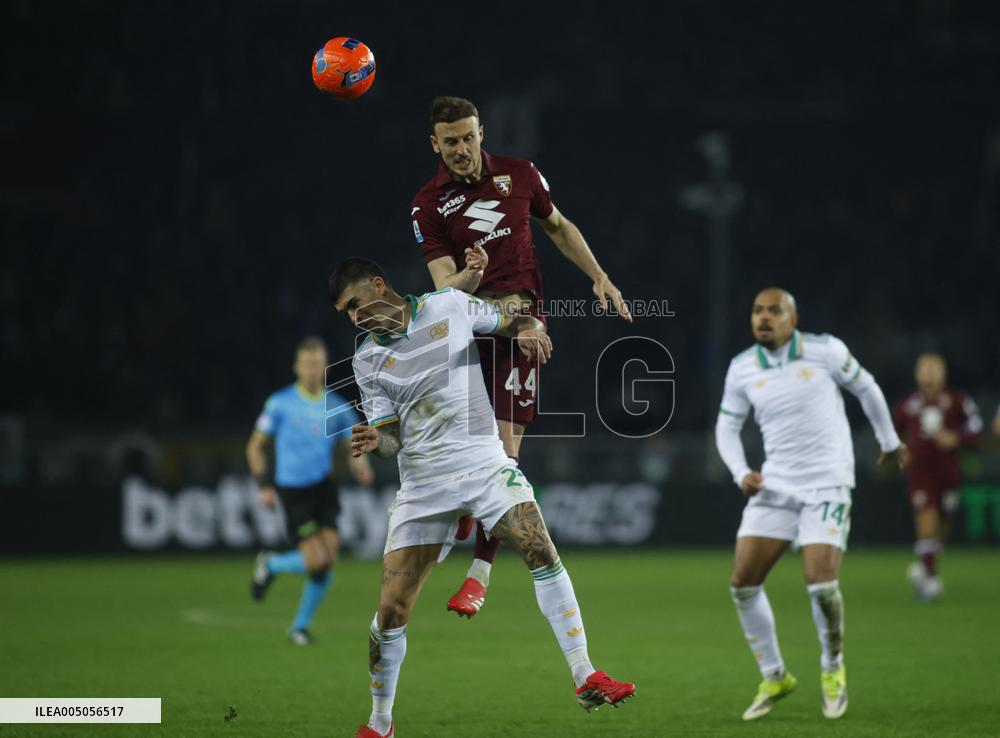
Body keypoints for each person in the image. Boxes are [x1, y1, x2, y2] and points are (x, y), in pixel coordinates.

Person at [328, 257, 635, 738]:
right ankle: (380, 723)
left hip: (482, 463)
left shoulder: (447, 306)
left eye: (354, 305)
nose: (353, 318)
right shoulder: (366, 359)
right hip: (423, 486)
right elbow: (391, 438)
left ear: (378, 286)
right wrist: (376, 442)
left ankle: (584, 673)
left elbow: (508, 321)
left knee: (539, 546)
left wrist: (529, 327)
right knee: (391, 611)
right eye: (345, 313)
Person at [409, 95, 633, 617]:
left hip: (524, 324)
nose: (462, 150)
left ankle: (478, 575)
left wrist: (598, 276)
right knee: (468, 451)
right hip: (466, 333)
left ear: (482, 132)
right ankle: (466, 511)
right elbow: (446, 290)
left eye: (468, 137)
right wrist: (471, 272)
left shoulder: (520, 174)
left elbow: (558, 227)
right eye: (451, 142)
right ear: (434, 145)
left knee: (506, 457)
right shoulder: (426, 205)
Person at [714, 288, 908, 722]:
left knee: (820, 586)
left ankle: (832, 667)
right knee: (743, 583)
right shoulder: (742, 367)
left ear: (793, 318)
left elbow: (868, 388)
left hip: (827, 484)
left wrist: (890, 442)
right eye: (757, 310)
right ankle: (774, 675)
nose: (764, 318)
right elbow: (726, 427)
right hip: (776, 486)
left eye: (774, 311)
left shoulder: (825, 350)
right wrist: (741, 472)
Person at [246, 337, 374, 644]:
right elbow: (255, 447)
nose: (311, 370)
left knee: (328, 559)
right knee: (316, 560)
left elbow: (353, 444)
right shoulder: (279, 403)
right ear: (296, 367)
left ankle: (299, 628)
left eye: (317, 364)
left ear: (324, 367)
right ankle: (271, 564)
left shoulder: (336, 406)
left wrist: (360, 464)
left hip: (324, 490)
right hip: (293, 492)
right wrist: (264, 485)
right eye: (306, 364)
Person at [893, 353, 982, 601]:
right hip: (921, 473)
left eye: (934, 369)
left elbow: (975, 431)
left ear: (943, 375)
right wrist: (899, 452)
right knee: (927, 519)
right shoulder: (907, 405)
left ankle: (923, 566)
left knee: (941, 526)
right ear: (917, 374)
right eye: (924, 369)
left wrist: (956, 438)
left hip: (949, 473)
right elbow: (890, 433)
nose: (929, 374)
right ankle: (931, 579)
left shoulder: (957, 401)